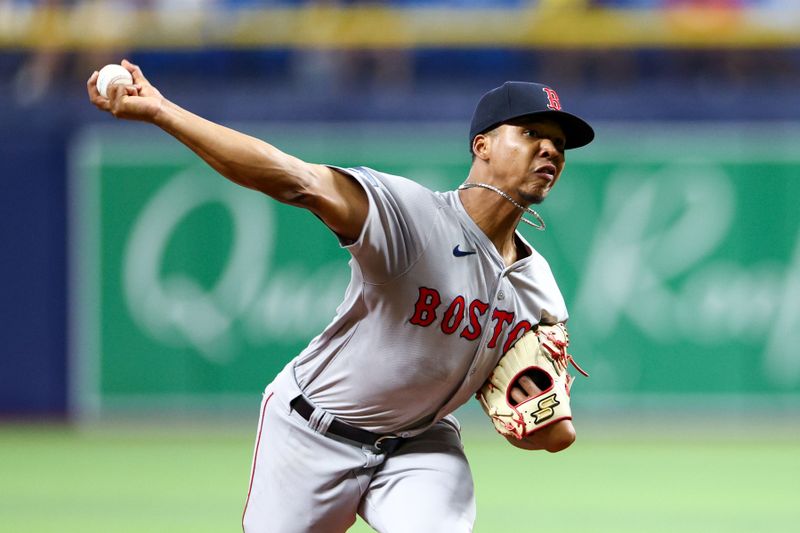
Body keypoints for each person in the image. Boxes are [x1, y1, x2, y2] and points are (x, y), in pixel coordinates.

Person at [87, 61, 594, 533]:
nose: (550, 149)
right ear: (482, 145)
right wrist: (162, 111)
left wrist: (547, 423)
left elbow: (551, 434)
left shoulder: (538, 288)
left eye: (558, 144)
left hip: (419, 445)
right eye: (531, 134)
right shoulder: (413, 219)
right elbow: (295, 179)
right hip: (311, 431)